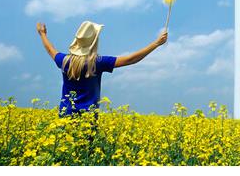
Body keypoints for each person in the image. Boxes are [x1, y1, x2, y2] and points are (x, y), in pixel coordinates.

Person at [36, 20, 167, 117]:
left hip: (65, 115)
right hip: (88, 118)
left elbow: (50, 49)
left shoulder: (64, 60)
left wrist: (42, 34)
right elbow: (131, 59)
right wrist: (156, 43)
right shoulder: (97, 63)